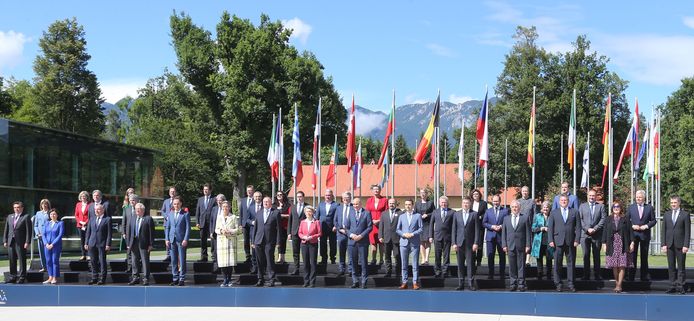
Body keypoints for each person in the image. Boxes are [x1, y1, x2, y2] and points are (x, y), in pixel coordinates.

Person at [548, 194, 581, 292]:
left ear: (568, 201)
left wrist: (577, 239)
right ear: (559, 201)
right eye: (562, 200)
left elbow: (578, 227)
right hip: (557, 241)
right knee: (557, 263)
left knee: (571, 264)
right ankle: (558, 283)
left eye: (565, 200)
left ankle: (571, 284)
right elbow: (550, 228)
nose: (563, 201)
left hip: (570, 241)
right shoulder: (554, 213)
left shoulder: (574, 212)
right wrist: (550, 240)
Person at [661, 195, 690, 294]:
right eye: (672, 203)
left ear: (679, 203)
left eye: (675, 202)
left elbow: (687, 231)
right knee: (671, 266)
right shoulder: (666, 214)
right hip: (669, 244)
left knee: (681, 267)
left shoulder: (685, 214)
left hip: (681, 245)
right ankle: (672, 285)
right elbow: (663, 230)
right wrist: (663, 244)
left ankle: (681, 286)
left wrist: (686, 245)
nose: (673, 204)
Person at [603, 201, 634, 293]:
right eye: (614, 207)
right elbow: (604, 232)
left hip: (622, 244)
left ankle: (619, 285)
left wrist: (632, 243)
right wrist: (604, 243)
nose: (616, 208)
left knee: (622, 265)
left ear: (621, 208)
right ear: (612, 208)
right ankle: (617, 282)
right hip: (611, 244)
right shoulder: (608, 219)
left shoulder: (625, 219)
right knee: (614, 265)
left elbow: (630, 232)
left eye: (618, 207)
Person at [502, 200, 532, 292]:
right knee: (512, 266)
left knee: (521, 266)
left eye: (516, 207)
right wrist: (504, 245)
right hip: (510, 245)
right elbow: (504, 233)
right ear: (511, 208)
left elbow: (528, 233)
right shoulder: (506, 218)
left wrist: (528, 245)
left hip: (521, 245)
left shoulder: (525, 218)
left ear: (519, 208)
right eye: (513, 207)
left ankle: (521, 284)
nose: (515, 208)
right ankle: (512, 284)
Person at [627, 189, 656, 282]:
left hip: (645, 235)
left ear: (644, 198)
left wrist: (646, 226)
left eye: (640, 197)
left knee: (644, 257)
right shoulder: (631, 207)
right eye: (637, 197)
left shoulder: (649, 208)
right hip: (633, 235)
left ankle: (644, 276)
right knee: (632, 256)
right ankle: (631, 276)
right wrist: (632, 226)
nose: (638, 198)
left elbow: (654, 220)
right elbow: (626, 220)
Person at [253, 196, 281, 287]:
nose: (265, 203)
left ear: (270, 203)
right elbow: (255, 228)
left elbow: (278, 229)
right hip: (258, 241)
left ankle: (271, 279)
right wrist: (253, 241)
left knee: (270, 261)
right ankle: (260, 279)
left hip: (270, 241)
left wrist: (278, 242)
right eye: (264, 201)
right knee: (259, 261)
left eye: (267, 201)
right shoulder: (259, 213)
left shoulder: (276, 213)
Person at [579, 188, 606, 280]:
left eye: (593, 195)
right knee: (586, 255)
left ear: (596, 197)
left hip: (596, 234)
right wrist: (587, 229)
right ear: (587, 196)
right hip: (585, 235)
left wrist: (594, 229)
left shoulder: (601, 206)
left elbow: (603, 219)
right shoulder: (582, 206)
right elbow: (580, 219)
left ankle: (597, 275)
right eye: (590, 195)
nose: (591, 197)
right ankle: (586, 275)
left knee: (596, 255)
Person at [452, 197, 479, 291]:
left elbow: (477, 230)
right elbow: (454, 230)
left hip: (470, 244)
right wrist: (454, 243)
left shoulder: (474, 214)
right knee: (460, 265)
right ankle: (461, 284)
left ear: (470, 204)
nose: (465, 204)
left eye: (467, 203)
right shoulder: (456, 214)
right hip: (459, 243)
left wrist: (476, 243)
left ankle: (471, 284)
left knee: (470, 264)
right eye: (464, 203)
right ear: (462, 204)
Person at [345, 197, 373, 288]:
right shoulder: (350, 213)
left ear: (361, 204)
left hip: (363, 242)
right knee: (353, 262)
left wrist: (361, 236)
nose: (355, 206)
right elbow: (346, 228)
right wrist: (351, 235)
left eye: (357, 204)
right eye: (354, 204)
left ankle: (364, 281)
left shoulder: (367, 213)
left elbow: (369, 227)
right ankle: (355, 281)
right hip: (352, 241)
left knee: (364, 262)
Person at [397, 199, 423, 290]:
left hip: (414, 242)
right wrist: (403, 234)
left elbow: (421, 229)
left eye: (409, 204)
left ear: (412, 205)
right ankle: (404, 282)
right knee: (404, 264)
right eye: (406, 204)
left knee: (415, 264)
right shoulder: (401, 216)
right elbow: (398, 229)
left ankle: (415, 282)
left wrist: (412, 234)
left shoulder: (418, 216)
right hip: (403, 242)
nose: (407, 206)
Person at [3, 201, 32, 283]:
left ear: (22, 208)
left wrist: (27, 242)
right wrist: (5, 240)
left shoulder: (26, 217)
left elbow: (28, 231)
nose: (16, 209)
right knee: (12, 259)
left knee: (22, 259)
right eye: (15, 207)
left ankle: (22, 276)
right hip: (10, 242)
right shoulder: (10, 216)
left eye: (18, 207)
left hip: (21, 242)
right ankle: (13, 276)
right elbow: (6, 229)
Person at [165, 196, 190, 286]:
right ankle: (175, 278)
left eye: (177, 203)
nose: (176, 205)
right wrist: (167, 239)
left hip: (181, 240)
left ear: (181, 204)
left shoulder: (185, 214)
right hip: (172, 240)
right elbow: (167, 227)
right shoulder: (170, 214)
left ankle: (182, 278)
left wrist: (185, 239)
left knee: (182, 260)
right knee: (174, 260)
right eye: (174, 204)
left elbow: (188, 228)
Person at [128, 203, 154, 286]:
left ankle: (146, 278)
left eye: (138, 209)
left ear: (143, 210)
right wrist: (128, 243)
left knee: (145, 261)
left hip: (144, 243)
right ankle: (135, 278)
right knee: (134, 261)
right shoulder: (132, 218)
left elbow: (151, 232)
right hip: (134, 242)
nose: (137, 211)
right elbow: (129, 231)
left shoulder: (148, 219)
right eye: (136, 209)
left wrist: (151, 244)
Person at [483, 195, 509, 279]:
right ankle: (491, 274)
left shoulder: (505, 211)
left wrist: (501, 226)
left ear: (500, 201)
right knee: (491, 256)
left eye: (497, 201)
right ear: (492, 202)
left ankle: (502, 274)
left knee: (502, 256)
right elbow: (484, 223)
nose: (495, 203)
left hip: (501, 236)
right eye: (494, 201)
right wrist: (492, 227)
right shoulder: (488, 211)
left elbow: (507, 222)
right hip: (490, 237)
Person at [85, 204, 111, 285]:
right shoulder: (92, 219)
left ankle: (102, 278)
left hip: (102, 244)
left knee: (102, 261)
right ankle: (94, 277)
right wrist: (86, 242)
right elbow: (88, 232)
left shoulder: (107, 219)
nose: (96, 211)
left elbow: (109, 234)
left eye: (98, 209)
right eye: (95, 209)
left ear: (102, 210)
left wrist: (108, 244)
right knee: (93, 261)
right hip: (92, 243)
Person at [215, 200, 239, 287]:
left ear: (229, 207)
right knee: (223, 262)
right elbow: (216, 229)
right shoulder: (219, 217)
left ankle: (229, 279)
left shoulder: (233, 217)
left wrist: (230, 231)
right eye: (223, 207)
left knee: (230, 262)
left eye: (227, 207)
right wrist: (221, 231)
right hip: (222, 242)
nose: (225, 208)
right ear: (221, 208)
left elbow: (237, 229)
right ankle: (225, 279)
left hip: (231, 242)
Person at [428, 196, 454, 278]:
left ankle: (445, 271)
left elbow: (454, 226)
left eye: (445, 202)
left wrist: (453, 239)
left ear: (447, 203)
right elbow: (431, 225)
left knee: (446, 256)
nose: (443, 204)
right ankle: (437, 272)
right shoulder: (435, 212)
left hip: (448, 237)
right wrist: (430, 236)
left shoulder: (452, 212)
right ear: (439, 203)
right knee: (437, 255)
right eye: (442, 202)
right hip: (437, 237)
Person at [298, 206, 321, 287]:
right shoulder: (302, 222)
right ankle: (306, 281)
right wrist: (303, 237)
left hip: (313, 244)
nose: (308, 213)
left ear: (312, 212)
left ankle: (312, 282)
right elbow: (299, 233)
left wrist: (312, 237)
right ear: (305, 213)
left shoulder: (316, 222)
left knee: (313, 263)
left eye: (310, 211)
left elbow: (319, 233)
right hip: (304, 244)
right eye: (307, 211)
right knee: (305, 263)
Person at [379, 198, 401, 278]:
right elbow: (381, 225)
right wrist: (380, 236)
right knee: (387, 256)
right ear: (388, 204)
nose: (391, 205)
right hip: (386, 238)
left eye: (393, 203)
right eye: (390, 203)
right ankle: (388, 272)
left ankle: (398, 273)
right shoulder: (384, 213)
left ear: (396, 204)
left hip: (396, 238)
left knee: (397, 256)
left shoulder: (400, 213)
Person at [531, 201, 553, 280]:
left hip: (549, 240)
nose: (545, 209)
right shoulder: (537, 216)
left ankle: (549, 275)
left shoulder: (552, 216)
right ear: (541, 208)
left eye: (547, 207)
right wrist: (541, 228)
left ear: (549, 208)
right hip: (539, 241)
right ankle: (539, 274)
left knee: (549, 258)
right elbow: (533, 228)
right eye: (544, 207)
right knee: (539, 258)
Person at [366, 185, 387, 265]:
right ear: (372, 191)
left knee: (381, 242)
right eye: (374, 189)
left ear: (380, 190)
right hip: (371, 225)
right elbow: (367, 212)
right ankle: (373, 259)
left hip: (381, 224)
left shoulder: (384, 200)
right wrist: (371, 221)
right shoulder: (369, 200)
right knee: (373, 243)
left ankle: (381, 259)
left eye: (377, 189)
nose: (376, 191)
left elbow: (386, 212)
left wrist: (379, 220)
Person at [288, 191, 308, 275]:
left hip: (304, 233)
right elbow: (290, 220)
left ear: (303, 197)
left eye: (300, 196)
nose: (299, 198)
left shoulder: (307, 206)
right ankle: (296, 269)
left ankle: (306, 269)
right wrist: (289, 233)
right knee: (295, 252)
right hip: (295, 232)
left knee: (305, 252)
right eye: (298, 197)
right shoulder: (293, 207)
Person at [333, 191, 352, 276]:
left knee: (350, 252)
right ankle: (341, 269)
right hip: (340, 233)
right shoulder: (338, 208)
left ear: (350, 198)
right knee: (341, 252)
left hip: (350, 234)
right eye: (344, 197)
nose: (345, 199)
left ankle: (351, 270)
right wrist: (339, 229)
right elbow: (335, 220)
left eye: (347, 197)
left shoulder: (353, 207)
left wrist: (349, 231)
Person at [42, 208, 63, 284]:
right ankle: (50, 277)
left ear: (57, 215)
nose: (52, 215)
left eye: (54, 214)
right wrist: (46, 244)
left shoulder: (60, 223)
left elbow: (60, 235)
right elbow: (43, 234)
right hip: (47, 245)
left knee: (54, 261)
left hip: (56, 245)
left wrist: (52, 244)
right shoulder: (46, 223)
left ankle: (55, 277)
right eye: (51, 214)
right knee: (48, 261)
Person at [317, 189, 338, 265]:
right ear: (324, 196)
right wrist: (317, 227)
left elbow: (338, 217)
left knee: (333, 244)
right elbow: (317, 217)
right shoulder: (320, 204)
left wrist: (336, 226)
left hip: (333, 228)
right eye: (326, 195)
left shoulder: (336, 205)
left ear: (332, 196)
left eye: (329, 195)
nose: (327, 197)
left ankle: (333, 259)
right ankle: (323, 259)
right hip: (322, 228)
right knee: (322, 244)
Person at [195, 183, 215, 263]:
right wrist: (197, 222)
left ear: (210, 190)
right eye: (204, 189)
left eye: (207, 189)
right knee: (203, 240)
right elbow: (197, 212)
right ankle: (204, 257)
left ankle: (214, 257)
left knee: (213, 240)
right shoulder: (200, 199)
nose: (205, 191)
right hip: (202, 223)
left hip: (211, 223)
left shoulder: (214, 199)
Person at [415, 189, 435, 266]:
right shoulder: (417, 203)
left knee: (427, 241)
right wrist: (419, 216)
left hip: (428, 224)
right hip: (420, 224)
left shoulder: (431, 202)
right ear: (420, 194)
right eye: (421, 193)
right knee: (421, 242)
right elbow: (415, 213)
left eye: (424, 193)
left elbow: (434, 212)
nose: (423, 194)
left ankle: (427, 258)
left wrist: (428, 215)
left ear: (427, 194)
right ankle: (423, 258)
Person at [121, 194, 139, 275]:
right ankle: (129, 267)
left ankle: (137, 268)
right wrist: (123, 232)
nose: (132, 202)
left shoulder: (139, 209)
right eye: (131, 200)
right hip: (128, 234)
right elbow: (124, 222)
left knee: (136, 252)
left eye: (133, 200)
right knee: (129, 251)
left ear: (137, 201)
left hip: (137, 233)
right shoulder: (127, 209)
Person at [471, 189, 488, 269]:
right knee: (472, 243)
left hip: (480, 226)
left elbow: (486, 213)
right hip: (471, 226)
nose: (475, 195)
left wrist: (480, 217)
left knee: (479, 244)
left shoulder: (483, 203)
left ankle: (479, 261)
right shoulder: (470, 203)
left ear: (479, 195)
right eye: (474, 194)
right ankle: (472, 260)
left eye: (477, 194)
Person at [247, 191, 263, 274]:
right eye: (256, 197)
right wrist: (252, 222)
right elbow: (247, 219)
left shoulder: (265, 206)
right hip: (253, 231)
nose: (258, 198)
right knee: (253, 250)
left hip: (262, 232)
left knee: (262, 250)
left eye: (259, 196)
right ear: (253, 197)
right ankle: (254, 267)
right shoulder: (251, 207)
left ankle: (262, 268)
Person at [160, 186, 177, 262]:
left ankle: (174, 255)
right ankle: (168, 255)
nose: (172, 193)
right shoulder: (166, 201)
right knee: (167, 239)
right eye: (171, 191)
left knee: (174, 239)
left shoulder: (177, 201)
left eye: (173, 191)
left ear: (175, 192)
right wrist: (166, 216)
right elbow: (162, 211)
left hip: (174, 224)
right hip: (167, 224)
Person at [33, 198, 51, 272]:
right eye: (43, 204)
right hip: (40, 236)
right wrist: (37, 233)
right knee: (41, 252)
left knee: (48, 252)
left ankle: (49, 266)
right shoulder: (38, 213)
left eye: (46, 204)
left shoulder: (50, 212)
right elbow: (35, 225)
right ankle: (44, 267)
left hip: (48, 235)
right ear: (41, 205)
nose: (44, 205)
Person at [239, 185, 256, 264]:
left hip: (253, 224)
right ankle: (247, 256)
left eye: (251, 190)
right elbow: (241, 213)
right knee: (246, 241)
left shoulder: (256, 200)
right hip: (245, 224)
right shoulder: (243, 200)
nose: (249, 192)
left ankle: (254, 257)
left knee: (253, 241)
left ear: (253, 191)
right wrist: (240, 224)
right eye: (248, 190)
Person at [209, 194, 226, 265]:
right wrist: (211, 232)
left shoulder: (226, 208)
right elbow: (211, 221)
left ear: (223, 201)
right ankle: (215, 263)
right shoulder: (214, 209)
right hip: (215, 232)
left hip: (223, 232)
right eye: (218, 200)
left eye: (220, 200)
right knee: (214, 248)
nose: (219, 202)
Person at [274, 191, 291, 264]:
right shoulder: (274, 205)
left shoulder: (288, 205)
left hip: (284, 227)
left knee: (283, 242)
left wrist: (282, 216)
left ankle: (282, 258)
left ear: (283, 196)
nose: (279, 196)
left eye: (281, 194)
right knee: (276, 242)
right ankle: (278, 257)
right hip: (275, 227)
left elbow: (290, 215)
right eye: (278, 195)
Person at [74, 191, 90, 261]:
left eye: (84, 196)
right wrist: (80, 222)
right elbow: (76, 215)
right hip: (80, 225)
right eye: (82, 196)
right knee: (82, 240)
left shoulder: (91, 204)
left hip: (88, 224)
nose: (83, 197)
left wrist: (86, 222)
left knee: (88, 240)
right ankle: (83, 255)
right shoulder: (78, 204)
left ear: (87, 197)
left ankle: (89, 254)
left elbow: (91, 215)